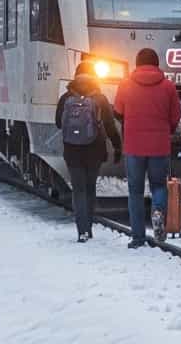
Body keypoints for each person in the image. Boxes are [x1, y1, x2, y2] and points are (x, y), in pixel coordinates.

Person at [113, 48, 181, 248]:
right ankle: (158, 211)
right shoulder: (168, 86)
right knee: (159, 185)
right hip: (159, 145)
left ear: (137, 63)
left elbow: (117, 112)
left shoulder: (125, 85)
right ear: (157, 63)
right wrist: (166, 129)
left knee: (135, 191)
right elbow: (175, 116)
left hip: (133, 145)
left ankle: (138, 237)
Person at [55, 64, 123, 242]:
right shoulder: (100, 98)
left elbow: (58, 123)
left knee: (78, 190)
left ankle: (82, 230)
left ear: (76, 76)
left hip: (72, 151)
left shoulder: (66, 97)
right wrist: (117, 147)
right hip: (95, 149)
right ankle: (89, 227)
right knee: (90, 188)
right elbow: (109, 126)